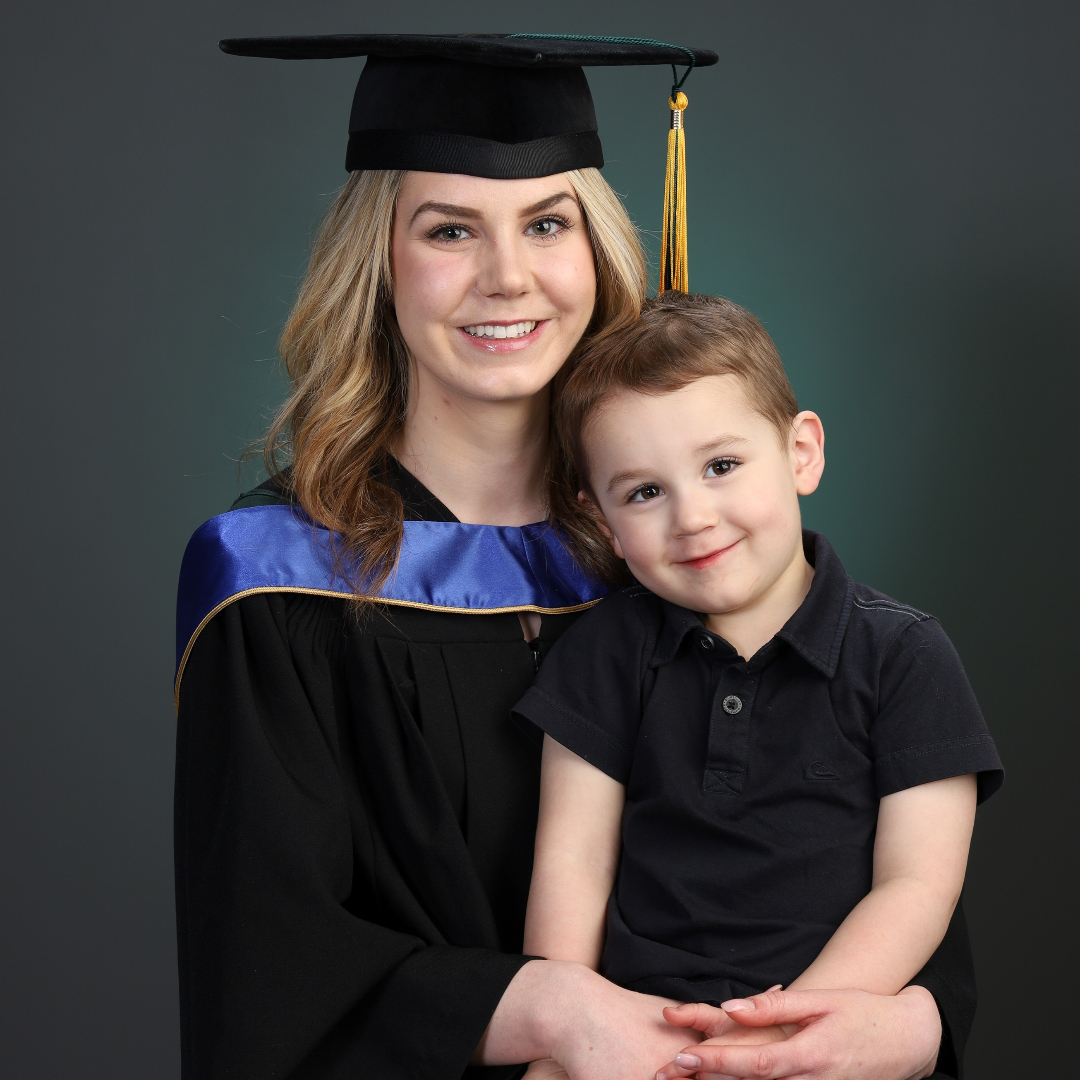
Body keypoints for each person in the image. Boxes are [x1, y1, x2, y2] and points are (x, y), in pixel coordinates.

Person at [175, 32, 980, 1080]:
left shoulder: (669, 545)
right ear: (377, 263)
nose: (508, 278)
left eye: (547, 222)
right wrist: (551, 1010)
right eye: (450, 229)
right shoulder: (279, 581)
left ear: (594, 246)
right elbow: (266, 956)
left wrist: (912, 1023)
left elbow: (866, 855)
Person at [515, 291, 1003, 1080]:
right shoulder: (601, 652)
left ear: (800, 452)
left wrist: (782, 1036)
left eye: (721, 466)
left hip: (825, 1027)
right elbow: (571, 859)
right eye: (644, 492)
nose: (693, 516)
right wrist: (566, 1027)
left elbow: (916, 883)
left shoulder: (904, 654)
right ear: (601, 521)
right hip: (638, 1034)